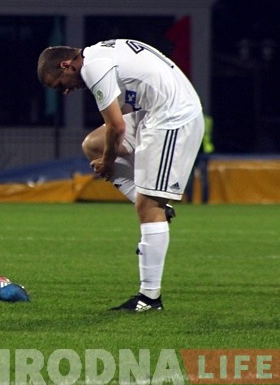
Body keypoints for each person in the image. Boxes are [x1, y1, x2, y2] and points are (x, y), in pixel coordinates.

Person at [37, 39, 204, 312]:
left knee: (147, 205)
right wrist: (108, 154)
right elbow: (125, 111)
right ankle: (157, 205)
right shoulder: (99, 52)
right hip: (152, 113)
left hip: (173, 117)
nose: (66, 91)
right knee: (92, 144)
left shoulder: (94, 69)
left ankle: (150, 298)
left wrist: (108, 161)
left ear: (66, 65)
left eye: (60, 84)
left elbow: (116, 127)